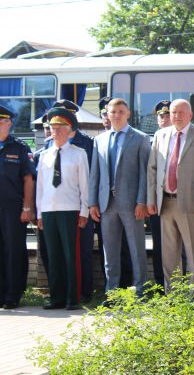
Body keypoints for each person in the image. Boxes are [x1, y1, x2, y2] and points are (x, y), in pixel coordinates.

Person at [147, 99, 194, 292]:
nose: (176, 116)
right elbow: (152, 169)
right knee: (169, 254)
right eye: (173, 112)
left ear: (190, 115)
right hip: (165, 202)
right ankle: (173, 296)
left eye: (181, 112)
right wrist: (151, 199)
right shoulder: (160, 135)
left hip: (191, 204)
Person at [89, 98, 150, 299]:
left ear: (128, 113)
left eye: (120, 111)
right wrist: (92, 202)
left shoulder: (140, 138)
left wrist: (142, 201)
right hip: (106, 203)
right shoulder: (99, 140)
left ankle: (141, 291)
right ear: (107, 114)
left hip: (132, 204)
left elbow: (144, 174)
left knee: (136, 249)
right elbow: (95, 173)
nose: (116, 115)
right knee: (110, 251)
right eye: (112, 112)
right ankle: (112, 293)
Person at [42, 100, 96, 302]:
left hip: (71, 208)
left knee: (73, 255)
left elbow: (85, 184)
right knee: (54, 255)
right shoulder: (45, 154)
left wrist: (84, 211)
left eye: (59, 127)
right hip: (49, 209)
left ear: (69, 129)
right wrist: (38, 212)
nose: (54, 131)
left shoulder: (80, 152)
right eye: (52, 127)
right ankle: (56, 297)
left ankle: (74, 296)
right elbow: (41, 187)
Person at [0, 105, 35, 309]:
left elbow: (28, 179)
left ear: (9, 123)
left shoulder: (20, 147)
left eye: (1, 121)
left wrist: (27, 208)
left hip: (13, 207)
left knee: (14, 250)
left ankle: (13, 294)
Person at [147, 100, 171, 287]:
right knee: (159, 243)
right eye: (161, 116)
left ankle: (180, 283)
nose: (164, 118)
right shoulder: (153, 140)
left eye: (167, 115)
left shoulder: (184, 138)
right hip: (158, 201)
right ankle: (160, 283)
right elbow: (150, 173)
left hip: (177, 199)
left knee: (179, 244)